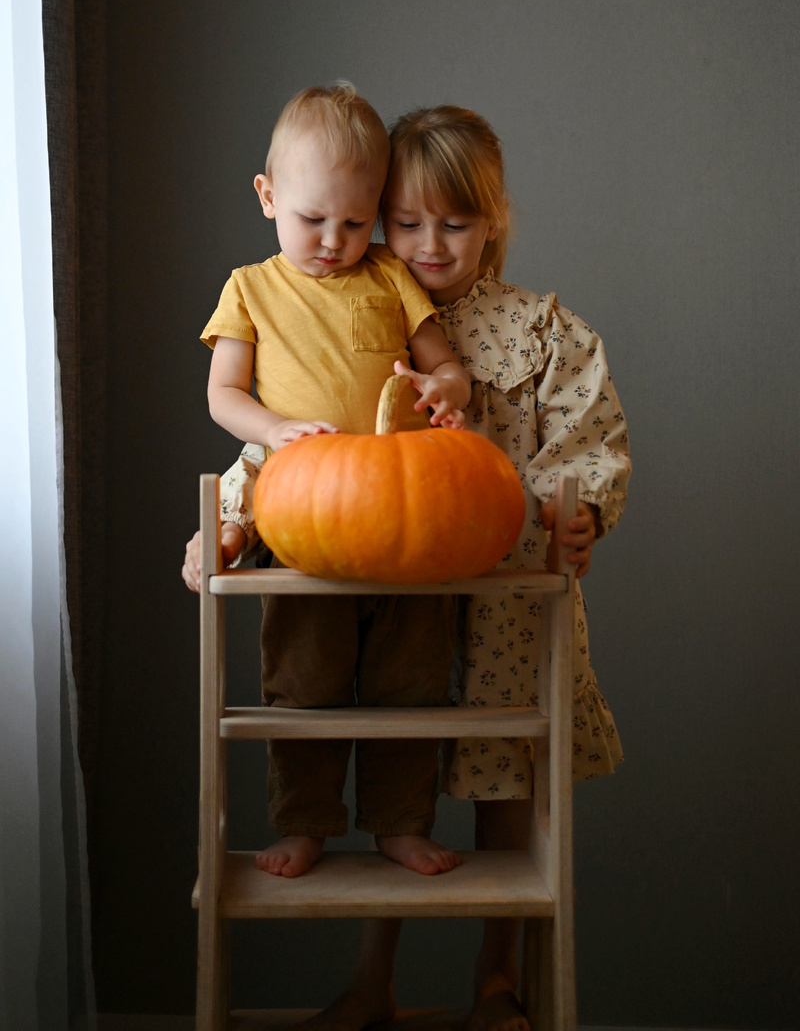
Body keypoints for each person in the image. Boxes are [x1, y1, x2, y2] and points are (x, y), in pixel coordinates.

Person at [185, 103, 631, 1031]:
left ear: (494, 220)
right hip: (387, 571)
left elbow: (586, 438)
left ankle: (498, 983)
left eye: (455, 223)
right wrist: (222, 521)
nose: (426, 244)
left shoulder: (542, 330)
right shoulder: (362, 295)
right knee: (392, 744)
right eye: (403, 221)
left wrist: (577, 512)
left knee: (504, 779)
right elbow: (308, 454)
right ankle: (372, 978)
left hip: (506, 594)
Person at [200, 83, 472, 880]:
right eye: (312, 219)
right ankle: (307, 822)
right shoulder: (250, 287)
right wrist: (275, 429)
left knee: (411, 681)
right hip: (302, 510)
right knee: (304, 679)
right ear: (268, 195)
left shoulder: (389, 275)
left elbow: (442, 361)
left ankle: (399, 822)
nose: (332, 239)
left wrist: (447, 388)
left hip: (404, 513)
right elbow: (223, 395)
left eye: (355, 222)